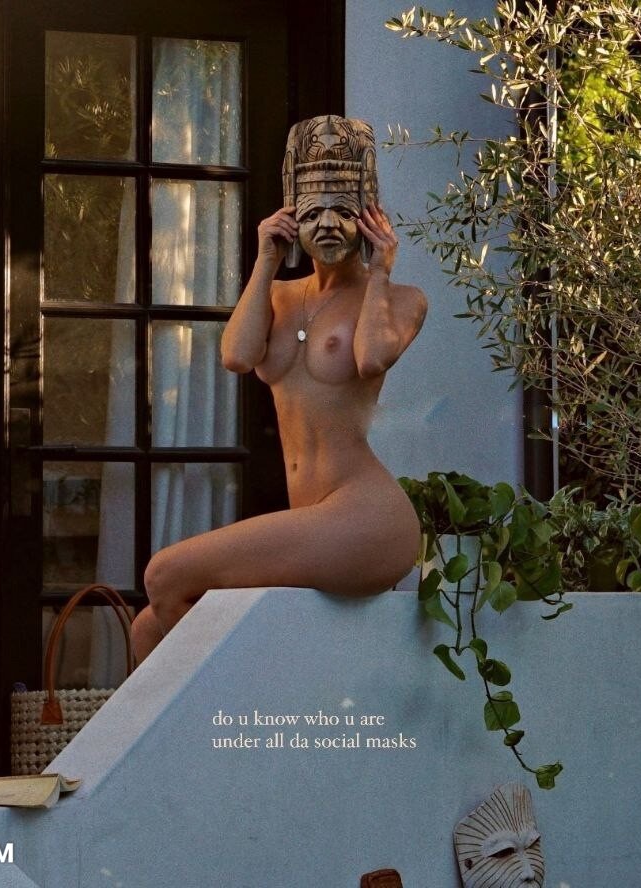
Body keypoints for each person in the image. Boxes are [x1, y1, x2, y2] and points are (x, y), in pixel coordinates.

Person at [130, 115, 427, 661]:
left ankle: (245, 702)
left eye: (344, 212)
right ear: (292, 219)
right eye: (312, 213)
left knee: (163, 575)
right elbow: (237, 356)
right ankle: (219, 711)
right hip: (312, 519)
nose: (328, 224)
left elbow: (370, 358)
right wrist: (267, 258)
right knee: (147, 628)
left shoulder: (399, 298)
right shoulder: (280, 296)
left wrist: (381, 271)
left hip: (364, 517)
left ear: (370, 218)